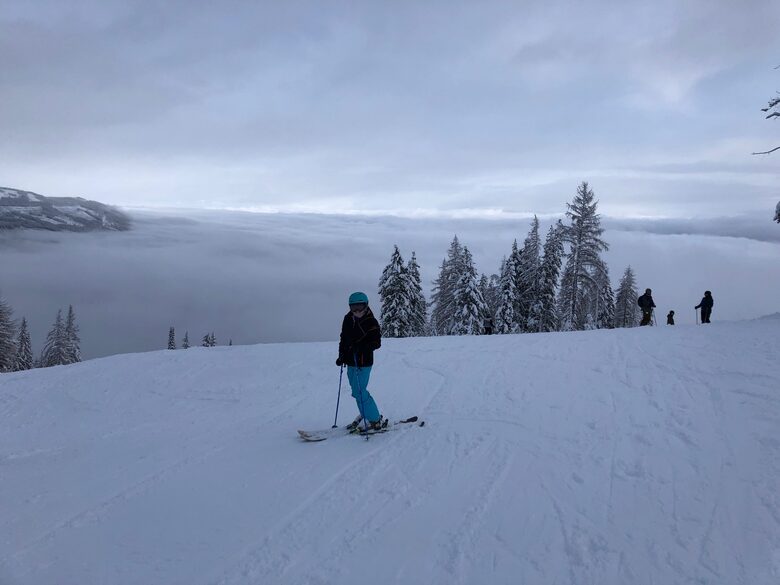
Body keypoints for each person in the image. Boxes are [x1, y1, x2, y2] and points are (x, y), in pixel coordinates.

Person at [336, 292, 384, 431]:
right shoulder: (348, 318)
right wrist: (341, 355)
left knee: (360, 391)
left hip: (363, 362)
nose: (357, 311)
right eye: (353, 307)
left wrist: (360, 347)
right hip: (351, 361)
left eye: (360, 307)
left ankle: (375, 419)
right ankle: (365, 413)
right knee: (355, 391)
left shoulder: (371, 322)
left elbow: (376, 343)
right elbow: (343, 338)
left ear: (366, 305)